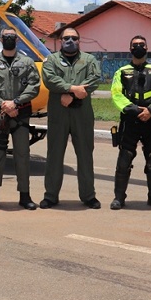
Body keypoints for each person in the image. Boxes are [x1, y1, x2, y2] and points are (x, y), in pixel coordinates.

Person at [40, 27, 102, 209]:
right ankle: (50, 195)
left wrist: (71, 96)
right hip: (58, 113)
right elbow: (49, 79)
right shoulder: (51, 60)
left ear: (79, 40)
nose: (70, 41)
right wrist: (73, 88)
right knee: (54, 155)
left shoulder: (89, 60)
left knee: (85, 154)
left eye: (74, 38)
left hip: (82, 113)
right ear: (60, 40)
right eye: (66, 38)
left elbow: (95, 79)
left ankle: (88, 195)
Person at [0, 27, 41, 210]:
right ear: (0, 39)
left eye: (12, 37)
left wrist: (15, 103)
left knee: (22, 155)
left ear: (17, 40)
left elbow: (34, 85)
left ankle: (25, 195)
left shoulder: (27, 62)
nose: (9, 39)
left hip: (20, 114)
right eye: (6, 36)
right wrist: (4, 105)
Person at [109, 35, 151, 210]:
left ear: (147, 47)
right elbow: (116, 94)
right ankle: (119, 198)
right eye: (135, 45)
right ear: (130, 49)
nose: (138, 47)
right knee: (124, 160)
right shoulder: (121, 72)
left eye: (141, 45)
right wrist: (135, 110)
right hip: (130, 120)